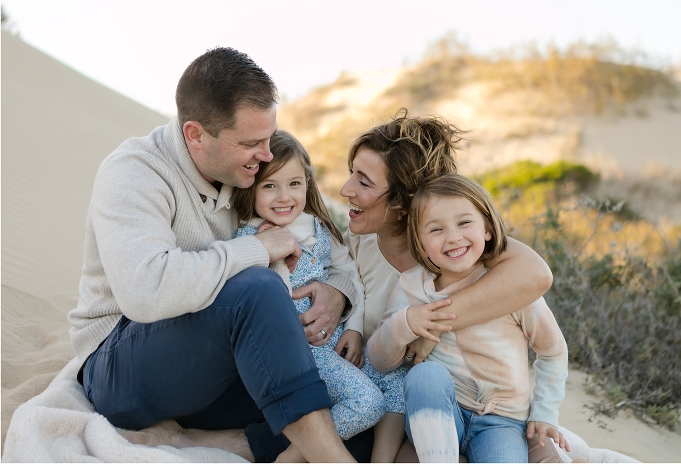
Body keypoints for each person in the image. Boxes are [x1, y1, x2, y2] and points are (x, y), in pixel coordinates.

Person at [67, 47, 363, 462]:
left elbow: (317, 237)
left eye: (268, 138)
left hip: (214, 366)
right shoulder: (135, 171)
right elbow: (146, 290)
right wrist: (256, 248)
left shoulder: (242, 171)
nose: (265, 155)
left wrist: (337, 290)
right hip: (123, 363)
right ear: (195, 135)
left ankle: (234, 443)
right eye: (251, 142)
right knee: (257, 287)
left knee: (357, 403)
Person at [338, 110, 556, 461]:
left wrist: (436, 322)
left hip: (485, 411)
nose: (345, 189)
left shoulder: (459, 252)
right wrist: (337, 296)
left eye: (364, 182)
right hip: (406, 411)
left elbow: (536, 274)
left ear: (404, 202)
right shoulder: (357, 241)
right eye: (352, 175)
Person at [366, 174, 570, 462]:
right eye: (436, 229)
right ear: (421, 244)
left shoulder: (508, 288)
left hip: (503, 422)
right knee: (425, 376)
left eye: (464, 223)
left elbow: (552, 350)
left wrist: (545, 412)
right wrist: (405, 324)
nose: (453, 237)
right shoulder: (413, 287)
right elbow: (379, 359)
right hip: (439, 415)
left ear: (487, 229)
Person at [231, 130, 386, 460]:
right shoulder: (247, 237)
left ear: (308, 184)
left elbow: (350, 278)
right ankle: (295, 456)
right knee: (368, 404)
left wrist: (356, 330)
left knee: (397, 379)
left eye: (295, 184)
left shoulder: (319, 228)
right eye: (269, 185)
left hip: (341, 341)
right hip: (305, 353)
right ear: (252, 187)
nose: (283, 197)